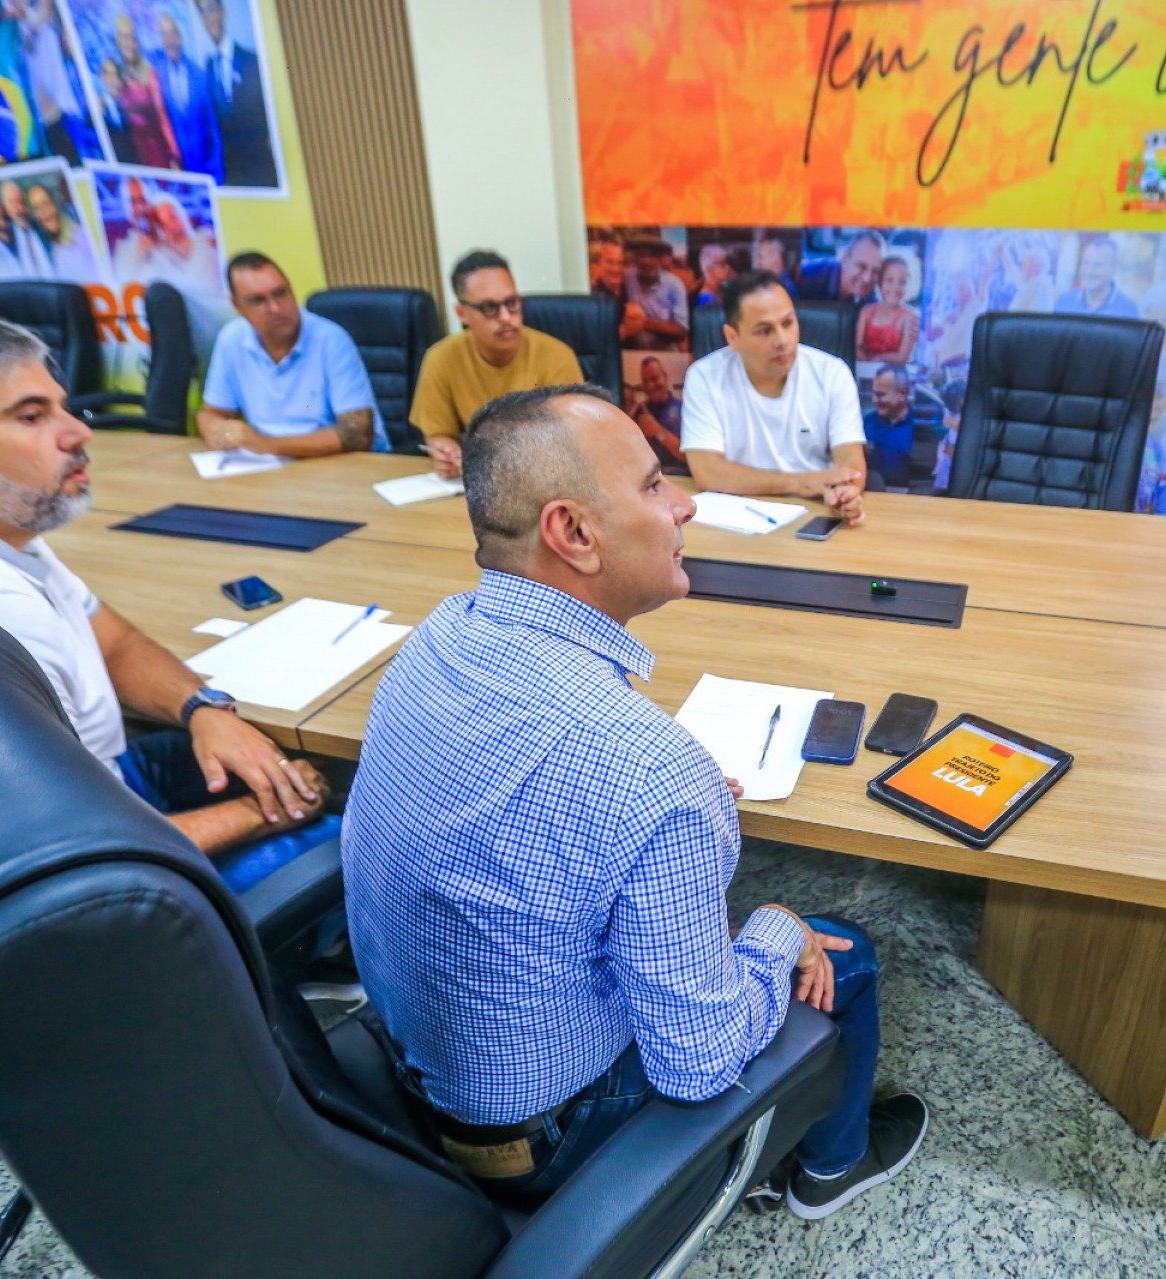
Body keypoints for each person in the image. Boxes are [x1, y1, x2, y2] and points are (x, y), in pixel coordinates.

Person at [342, 384, 927, 1214]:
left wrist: (670, 813)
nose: (684, 502)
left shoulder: (437, 633)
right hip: (545, 1138)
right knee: (842, 951)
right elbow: (696, 1061)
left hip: (415, 1076)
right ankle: (828, 1168)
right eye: (655, 485)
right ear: (573, 532)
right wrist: (775, 928)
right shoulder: (649, 771)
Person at [0, 302, 333, 952]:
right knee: (355, 834)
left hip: (85, 803)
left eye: (61, 406)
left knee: (292, 763)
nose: (78, 431)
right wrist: (259, 813)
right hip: (44, 931)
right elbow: (80, 862)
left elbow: (113, 637)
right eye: (31, 416)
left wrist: (204, 708)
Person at [679, 271, 867, 525]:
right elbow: (707, 471)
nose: (782, 340)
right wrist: (801, 482)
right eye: (764, 330)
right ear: (732, 337)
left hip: (816, 513)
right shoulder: (705, 377)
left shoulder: (831, 373)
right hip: (737, 518)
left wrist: (847, 491)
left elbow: (851, 463)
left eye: (788, 323)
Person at [410, 249, 584, 478]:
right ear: (462, 313)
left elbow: (574, 440)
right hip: (477, 485)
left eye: (512, 303)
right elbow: (439, 434)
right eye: (490, 308)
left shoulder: (557, 357)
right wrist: (447, 454)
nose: (505, 317)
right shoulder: (440, 359)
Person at [200, 252, 386, 455]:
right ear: (238, 306)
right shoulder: (231, 339)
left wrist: (267, 445)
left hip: (339, 461)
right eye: (258, 300)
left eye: (281, 293)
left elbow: (357, 435)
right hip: (269, 466)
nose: (275, 308)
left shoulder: (331, 339)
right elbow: (211, 412)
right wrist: (219, 433)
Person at [197, 0, 277, 188]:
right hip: (232, 174)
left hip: (260, 169)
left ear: (223, 12)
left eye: (211, 10)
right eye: (202, 13)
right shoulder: (208, 67)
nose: (208, 18)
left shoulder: (252, 61)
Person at [156, 13, 223, 183]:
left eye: (172, 33)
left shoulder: (201, 75)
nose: (169, 39)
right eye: (164, 34)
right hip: (178, 173)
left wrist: (217, 170)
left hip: (205, 169)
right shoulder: (156, 78)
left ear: (180, 37)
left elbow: (213, 126)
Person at [18, 0, 85, 164]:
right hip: (44, 123)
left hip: (64, 112)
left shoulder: (42, 20)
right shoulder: (13, 34)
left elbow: (45, 12)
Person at [112, 15, 181, 170]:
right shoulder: (118, 77)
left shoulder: (149, 75)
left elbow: (163, 118)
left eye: (131, 37)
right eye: (123, 37)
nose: (128, 42)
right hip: (134, 157)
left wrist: (173, 155)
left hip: (157, 154)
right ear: (117, 41)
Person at [620, 237, 689, 351]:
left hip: (666, 357)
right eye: (642, 255)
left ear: (660, 259)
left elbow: (681, 330)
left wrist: (644, 324)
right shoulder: (627, 278)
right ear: (635, 257)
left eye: (652, 256)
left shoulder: (674, 285)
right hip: (632, 357)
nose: (646, 261)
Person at [1055, 234, 1139, 318]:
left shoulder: (1128, 309)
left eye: (1097, 265)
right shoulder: (1064, 302)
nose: (1089, 271)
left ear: (1114, 268)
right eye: (1086, 263)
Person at [27, 181, 100, 278]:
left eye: (46, 203)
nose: (45, 212)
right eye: (37, 208)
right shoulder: (43, 250)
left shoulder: (82, 236)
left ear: (55, 203)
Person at [855, 257, 919, 365]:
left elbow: (902, 358)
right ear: (879, 282)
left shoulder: (909, 316)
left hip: (896, 376)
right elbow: (858, 347)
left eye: (902, 282)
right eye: (889, 280)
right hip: (865, 370)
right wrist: (866, 359)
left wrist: (879, 358)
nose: (895, 287)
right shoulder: (866, 312)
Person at [627, 354, 685, 469]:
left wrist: (658, 432)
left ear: (664, 376)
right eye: (645, 381)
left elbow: (689, 456)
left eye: (654, 378)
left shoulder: (684, 409)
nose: (650, 385)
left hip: (678, 477)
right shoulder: (639, 411)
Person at [862, 366, 914, 488]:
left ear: (903, 393)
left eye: (880, 395)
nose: (874, 400)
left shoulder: (922, 426)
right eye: (873, 393)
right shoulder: (866, 421)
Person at [0, 179, 56, 277]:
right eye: (12, 202)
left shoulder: (42, 226)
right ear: (5, 208)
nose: (18, 208)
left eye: (20, 201)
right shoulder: (6, 239)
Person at [95, 57, 136, 160]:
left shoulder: (130, 102)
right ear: (102, 77)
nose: (112, 79)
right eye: (108, 75)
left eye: (115, 74)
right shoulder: (97, 106)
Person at [694, 242, 734, 307]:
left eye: (727, 264)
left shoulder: (722, 287)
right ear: (709, 269)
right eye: (722, 264)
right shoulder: (706, 300)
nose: (727, 267)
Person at [588, 235, 624, 301]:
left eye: (620, 263)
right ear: (598, 265)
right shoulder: (592, 298)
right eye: (610, 262)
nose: (616, 269)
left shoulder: (628, 293)